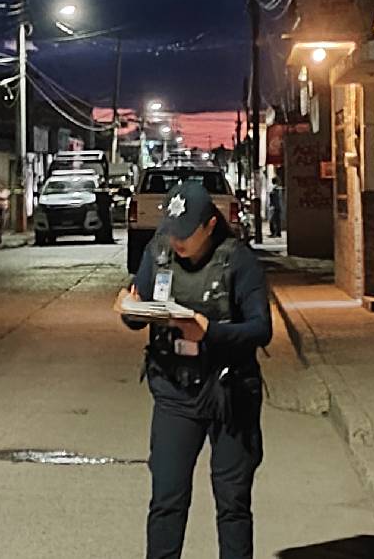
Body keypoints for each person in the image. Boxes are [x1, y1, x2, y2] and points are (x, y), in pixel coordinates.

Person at [122, 181, 271, 559]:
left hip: (229, 391)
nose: (177, 242)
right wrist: (130, 309)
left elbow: (261, 328)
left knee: (232, 501)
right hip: (175, 389)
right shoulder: (157, 252)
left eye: (186, 234)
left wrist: (210, 332)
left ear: (209, 225)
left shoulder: (237, 259)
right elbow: (140, 315)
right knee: (167, 497)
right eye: (172, 231)